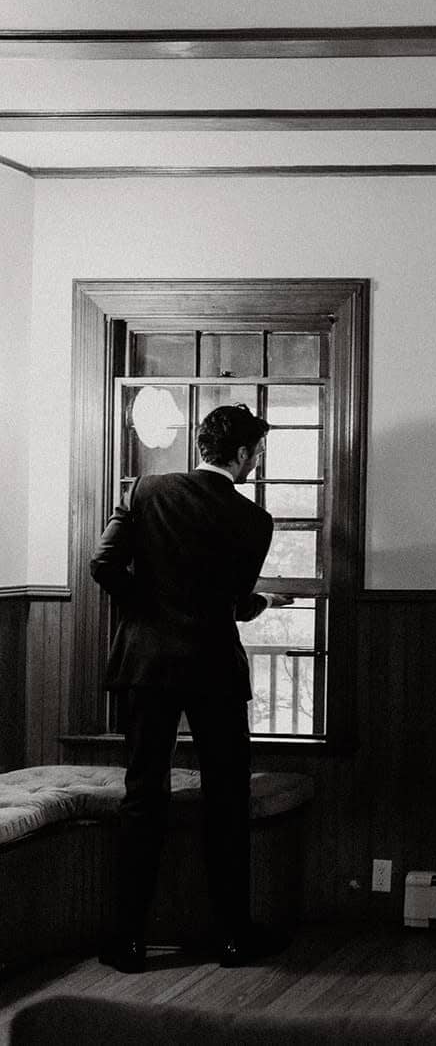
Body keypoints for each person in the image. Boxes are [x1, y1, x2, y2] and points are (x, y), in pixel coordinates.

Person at [89, 403, 291, 972]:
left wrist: (150, 611)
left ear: (202, 446)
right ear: (246, 454)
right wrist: (258, 604)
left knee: (141, 795)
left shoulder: (146, 491)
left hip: (147, 663)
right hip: (213, 667)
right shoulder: (255, 522)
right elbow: (226, 597)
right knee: (227, 798)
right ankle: (232, 937)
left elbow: (103, 565)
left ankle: (128, 941)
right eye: (258, 453)